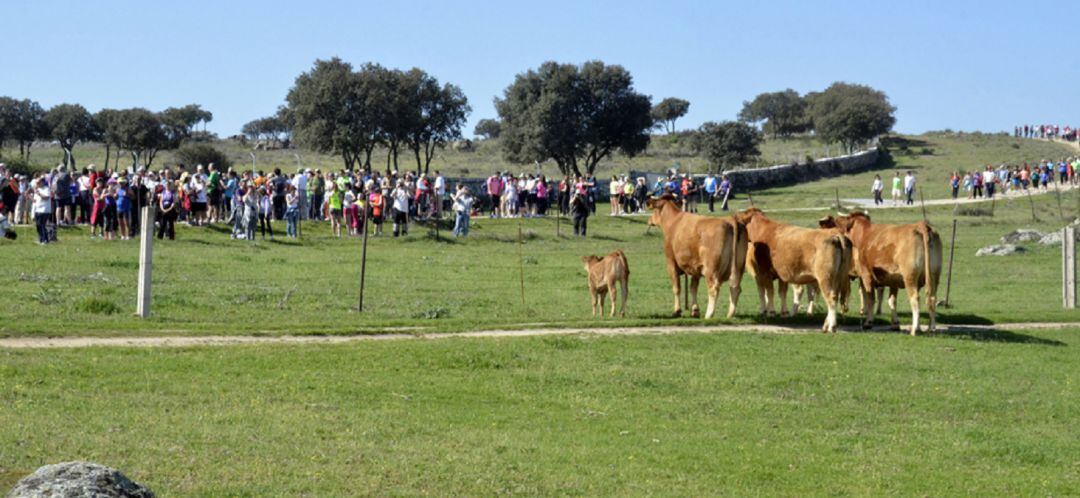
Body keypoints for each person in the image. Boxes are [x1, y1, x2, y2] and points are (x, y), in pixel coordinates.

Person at [31, 178, 53, 244]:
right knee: (38, 225)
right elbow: (35, 201)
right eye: (36, 183)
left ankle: (45, 240)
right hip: (38, 210)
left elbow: (46, 198)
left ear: (43, 182)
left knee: (42, 225)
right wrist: (30, 197)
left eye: (38, 182)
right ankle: (41, 239)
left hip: (44, 210)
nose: (37, 184)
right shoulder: (37, 190)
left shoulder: (46, 189)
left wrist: (39, 193)